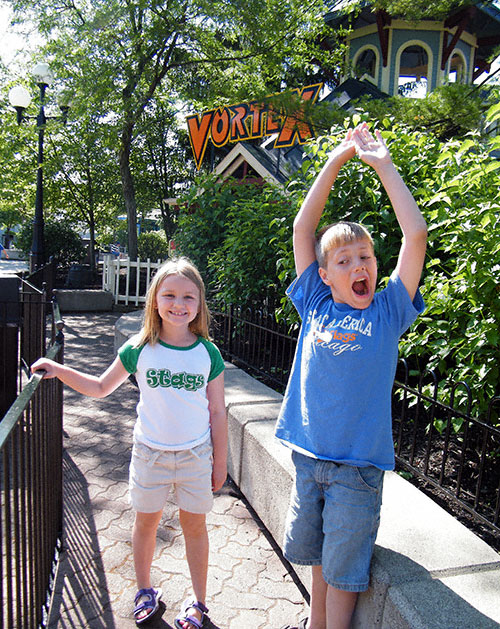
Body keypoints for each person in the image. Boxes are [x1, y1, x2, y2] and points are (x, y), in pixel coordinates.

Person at [276, 123, 427, 629]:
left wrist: (382, 165)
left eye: (365, 257)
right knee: (319, 557)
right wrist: (336, 160)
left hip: (357, 470)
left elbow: (416, 234)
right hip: (309, 458)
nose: (358, 264)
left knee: (343, 571)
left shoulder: (387, 312)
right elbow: (303, 229)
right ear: (325, 274)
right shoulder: (315, 303)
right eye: (344, 260)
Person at [31, 257, 227, 628]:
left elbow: (217, 412)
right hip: (149, 454)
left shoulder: (208, 353)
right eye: (169, 295)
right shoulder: (139, 348)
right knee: (145, 524)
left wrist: (220, 463)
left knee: (195, 528)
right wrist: (58, 371)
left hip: (195, 456)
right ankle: (144, 590)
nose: (178, 304)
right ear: (155, 300)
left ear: (199, 304)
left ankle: (199, 602)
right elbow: (102, 387)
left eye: (188, 297)